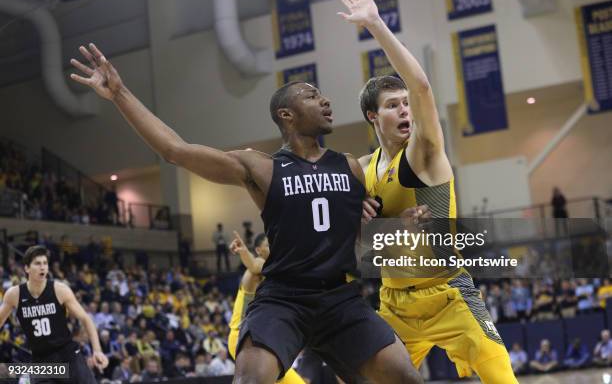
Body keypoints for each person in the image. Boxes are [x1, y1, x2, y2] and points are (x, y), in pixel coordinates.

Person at [70, 43, 421, 383]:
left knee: (406, 377)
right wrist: (119, 93)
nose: (326, 100)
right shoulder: (262, 167)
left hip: (341, 299)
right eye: (312, 96)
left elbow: (362, 235)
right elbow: (174, 150)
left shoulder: (348, 166)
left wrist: (396, 226)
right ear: (287, 114)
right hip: (285, 299)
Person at [338, 0, 517, 383]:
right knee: (357, 377)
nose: (405, 110)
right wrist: (357, 217)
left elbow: (421, 88)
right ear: (372, 116)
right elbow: (355, 240)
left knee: (502, 377)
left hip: (449, 295)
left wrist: (374, 24)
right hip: (395, 303)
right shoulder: (362, 169)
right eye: (392, 105)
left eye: (405, 103)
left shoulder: (423, 151)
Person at [0, 245, 108, 383]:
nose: (43, 267)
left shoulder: (60, 290)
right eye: (37, 263)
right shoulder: (14, 294)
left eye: (45, 263)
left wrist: (97, 350)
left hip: (68, 356)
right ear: (27, 268)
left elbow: (85, 319)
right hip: (42, 363)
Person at [228, 232, 306, 384]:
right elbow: (254, 264)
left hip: (261, 336)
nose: (275, 247)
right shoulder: (257, 269)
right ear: (258, 251)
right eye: (269, 245)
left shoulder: (273, 272)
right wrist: (244, 252)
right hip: (243, 336)